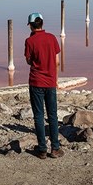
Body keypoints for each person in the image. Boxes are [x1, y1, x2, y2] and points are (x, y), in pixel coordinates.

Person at [24, 12, 64, 159]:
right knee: (53, 115)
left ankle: (41, 149)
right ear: (42, 23)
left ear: (31, 26)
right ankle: (55, 148)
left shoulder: (29, 41)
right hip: (50, 82)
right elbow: (57, 61)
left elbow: (28, 61)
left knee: (39, 116)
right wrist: (55, 79)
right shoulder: (52, 38)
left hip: (36, 82)